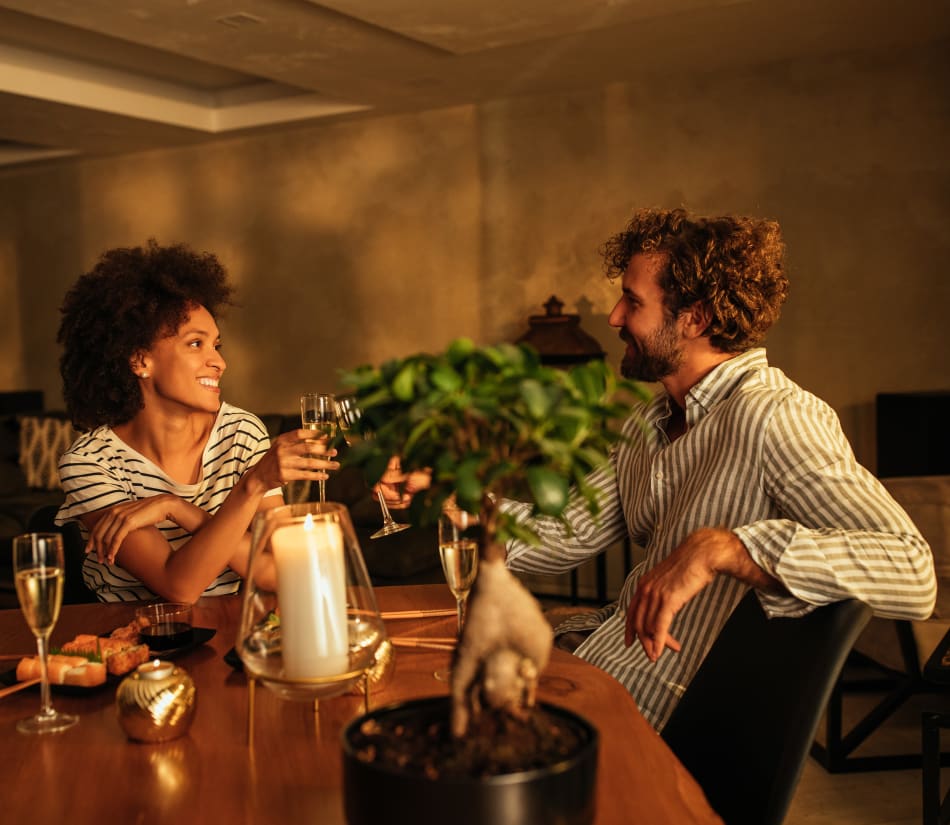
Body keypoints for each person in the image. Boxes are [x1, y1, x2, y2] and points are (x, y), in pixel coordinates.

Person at [499, 208, 937, 730]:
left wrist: (724, 548)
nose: (615, 317)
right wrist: (444, 499)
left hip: (659, 730)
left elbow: (912, 571)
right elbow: (558, 533)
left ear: (696, 318)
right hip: (601, 676)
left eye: (633, 301)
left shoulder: (776, 416)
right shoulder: (652, 421)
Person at [54, 240, 335, 603]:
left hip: (231, 631)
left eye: (216, 345)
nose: (219, 362)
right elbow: (179, 586)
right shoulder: (90, 463)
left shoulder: (241, 432)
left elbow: (282, 572)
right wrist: (252, 485)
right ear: (140, 361)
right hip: (133, 636)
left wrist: (176, 508)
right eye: (195, 344)